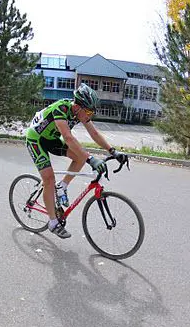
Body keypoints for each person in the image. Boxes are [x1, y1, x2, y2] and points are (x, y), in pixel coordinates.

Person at [25, 83, 127, 239]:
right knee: (49, 178)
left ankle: (62, 186)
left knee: (79, 157)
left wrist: (113, 151)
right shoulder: (61, 108)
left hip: (51, 139)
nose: (89, 115)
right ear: (78, 107)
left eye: (91, 112)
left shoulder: (80, 114)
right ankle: (53, 223)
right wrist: (91, 158)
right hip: (36, 139)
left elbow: (94, 133)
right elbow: (68, 137)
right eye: (88, 111)